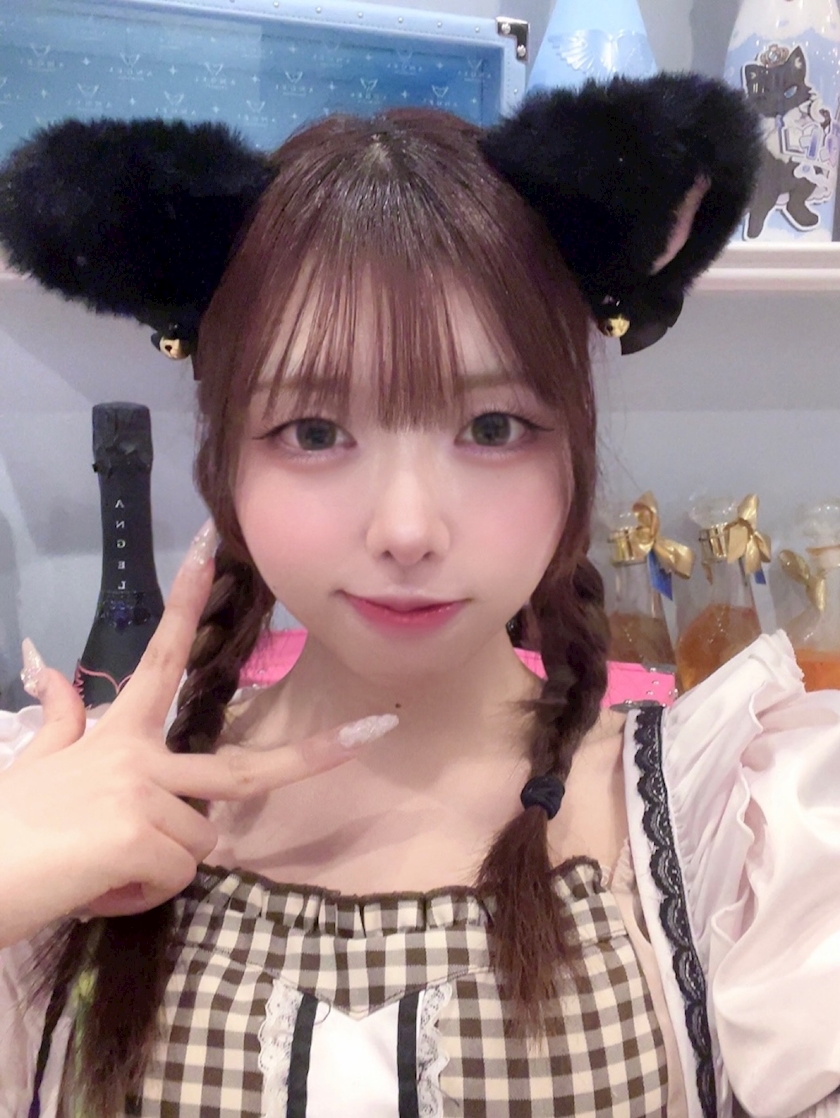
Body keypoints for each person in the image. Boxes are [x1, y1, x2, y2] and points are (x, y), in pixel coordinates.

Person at [0, 76, 838, 1118]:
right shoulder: (64, 812)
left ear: (573, 452)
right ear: (224, 461)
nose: (407, 527)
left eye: (491, 428)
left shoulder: (733, 827)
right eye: (314, 432)